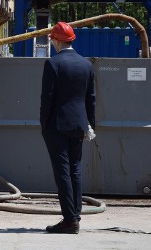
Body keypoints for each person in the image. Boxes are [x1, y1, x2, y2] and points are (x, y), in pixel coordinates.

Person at [40, 22, 96, 234]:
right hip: (79, 125)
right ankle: (75, 215)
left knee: (62, 171)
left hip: (56, 125)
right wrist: (90, 124)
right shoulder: (86, 65)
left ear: (56, 40)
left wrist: (43, 124)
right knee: (75, 169)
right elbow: (91, 99)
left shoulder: (53, 64)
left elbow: (47, 98)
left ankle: (70, 220)